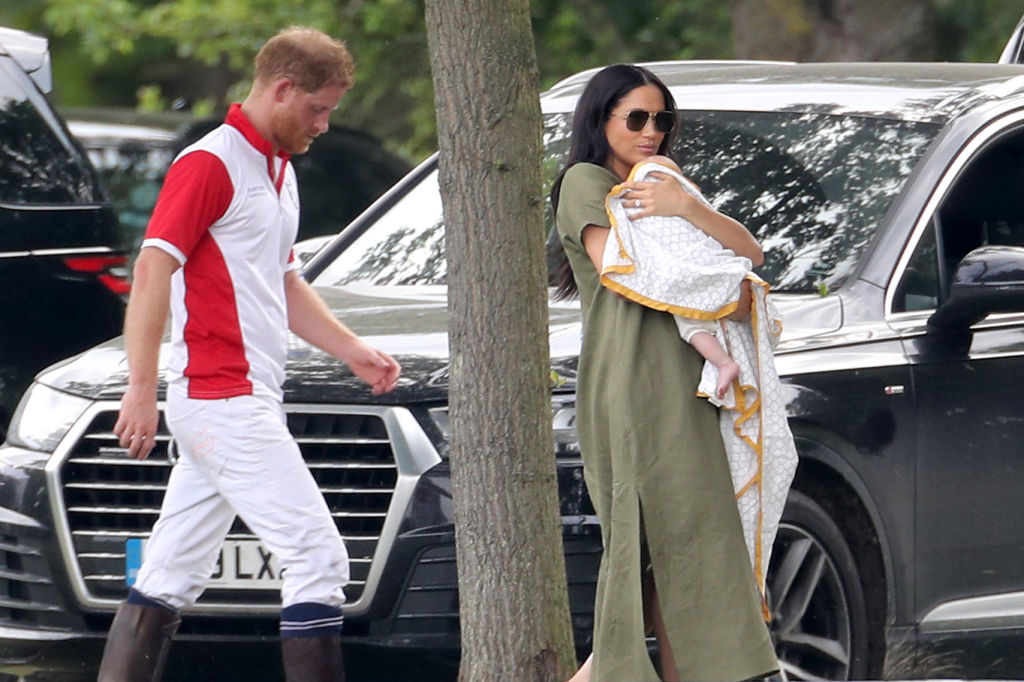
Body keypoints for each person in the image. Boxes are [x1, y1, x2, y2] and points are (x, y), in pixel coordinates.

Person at [97, 27, 401, 682]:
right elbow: (153, 268)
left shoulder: (276, 169)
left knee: (170, 574)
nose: (322, 125)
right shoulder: (212, 162)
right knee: (318, 557)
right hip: (221, 398)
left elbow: (283, 281)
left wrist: (352, 349)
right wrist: (139, 387)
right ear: (283, 89)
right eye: (318, 109)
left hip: (235, 398)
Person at [550, 64, 780, 681]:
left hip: (689, 390)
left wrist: (686, 206)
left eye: (662, 120)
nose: (650, 132)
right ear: (601, 119)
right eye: (636, 118)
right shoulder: (585, 182)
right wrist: (724, 292)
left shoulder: (664, 185)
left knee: (689, 562)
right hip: (629, 388)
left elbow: (749, 255)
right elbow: (632, 270)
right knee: (643, 555)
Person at [602, 154, 750, 401]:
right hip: (688, 283)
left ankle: (724, 363)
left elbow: (750, 252)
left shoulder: (687, 208)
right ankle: (724, 363)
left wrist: (686, 205)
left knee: (692, 325)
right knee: (691, 325)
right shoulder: (631, 201)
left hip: (700, 270)